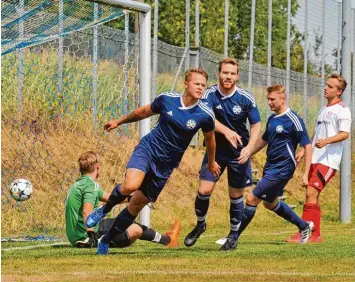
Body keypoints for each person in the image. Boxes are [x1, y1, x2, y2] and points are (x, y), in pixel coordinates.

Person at [85, 68, 221, 255]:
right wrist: (120, 121)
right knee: (130, 186)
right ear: (186, 83)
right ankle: (104, 209)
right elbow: (143, 112)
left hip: (165, 167)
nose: (200, 88)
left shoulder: (205, 114)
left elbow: (211, 140)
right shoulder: (167, 99)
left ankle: (106, 240)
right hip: (148, 150)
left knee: (135, 207)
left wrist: (211, 162)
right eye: (197, 84)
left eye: (203, 85)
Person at [184, 58, 261, 251]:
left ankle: (233, 236)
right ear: (219, 74)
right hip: (215, 151)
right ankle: (200, 224)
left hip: (238, 153)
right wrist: (226, 131)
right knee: (203, 191)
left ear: (237, 76)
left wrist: (250, 147)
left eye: (232, 73)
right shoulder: (209, 94)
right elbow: (205, 116)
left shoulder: (246, 98)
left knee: (236, 195)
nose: (228, 76)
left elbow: (256, 125)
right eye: (225, 72)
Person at [233, 85, 314, 245]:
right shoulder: (272, 119)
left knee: (251, 198)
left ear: (282, 99)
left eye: (272, 99)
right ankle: (304, 226)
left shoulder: (294, 120)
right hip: (270, 167)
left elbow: (308, 146)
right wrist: (247, 152)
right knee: (270, 203)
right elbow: (263, 141)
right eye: (268, 99)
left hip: (283, 168)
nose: (269, 102)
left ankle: (232, 237)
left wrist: (306, 174)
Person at [65, 151, 181, 249]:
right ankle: (169, 240)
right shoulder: (90, 186)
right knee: (135, 229)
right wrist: (90, 233)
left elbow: (110, 198)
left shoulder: (80, 184)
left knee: (127, 223)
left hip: (76, 235)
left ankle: (167, 239)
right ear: (97, 167)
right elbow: (87, 211)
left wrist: (132, 198)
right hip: (86, 234)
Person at [286, 74, 352, 243]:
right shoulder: (323, 110)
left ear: (339, 91)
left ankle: (303, 233)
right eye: (326, 85)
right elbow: (317, 135)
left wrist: (327, 141)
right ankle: (314, 235)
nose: (326, 88)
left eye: (330, 86)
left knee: (311, 192)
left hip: (329, 161)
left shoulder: (343, 109)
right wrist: (304, 151)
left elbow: (345, 134)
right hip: (316, 158)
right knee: (312, 195)